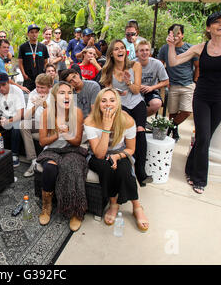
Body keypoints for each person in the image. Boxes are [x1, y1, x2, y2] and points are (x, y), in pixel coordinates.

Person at [166, 12, 221, 194]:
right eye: (217, 22)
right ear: (208, 28)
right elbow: (173, 62)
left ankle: (190, 168)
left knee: (206, 136)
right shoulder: (200, 48)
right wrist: (171, 46)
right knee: (203, 135)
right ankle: (200, 179)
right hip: (202, 96)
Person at [85, 87, 149, 232]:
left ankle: (136, 206)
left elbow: (131, 149)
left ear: (118, 103)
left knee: (125, 169)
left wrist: (116, 156)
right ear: (98, 103)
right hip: (97, 154)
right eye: (104, 100)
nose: (108, 104)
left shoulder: (127, 120)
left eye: (112, 100)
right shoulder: (90, 121)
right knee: (105, 167)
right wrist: (106, 128)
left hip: (119, 153)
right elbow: (99, 154)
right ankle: (114, 204)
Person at [100, 39, 152, 187]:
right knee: (127, 134)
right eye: (116, 49)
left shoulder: (135, 66)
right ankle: (129, 167)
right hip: (120, 104)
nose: (120, 50)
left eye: (122, 48)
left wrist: (128, 82)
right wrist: (116, 92)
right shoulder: (108, 70)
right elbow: (109, 92)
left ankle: (141, 172)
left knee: (140, 131)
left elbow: (136, 90)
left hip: (136, 102)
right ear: (111, 53)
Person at [36, 81, 87, 232]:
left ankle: (76, 211)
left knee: (72, 166)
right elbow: (42, 141)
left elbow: (77, 141)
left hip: (72, 149)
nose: (66, 96)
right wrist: (58, 133)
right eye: (62, 93)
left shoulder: (76, 112)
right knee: (50, 168)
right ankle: (47, 206)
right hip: (52, 149)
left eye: (69, 93)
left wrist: (66, 133)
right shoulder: (47, 113)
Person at [158, 24, 199, 141]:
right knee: (173, 111)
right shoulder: (164, 48)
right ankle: (174, 132)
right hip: (173, 84)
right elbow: (160, 65)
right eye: (172, 34)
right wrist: (165, 80)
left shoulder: (190, 48)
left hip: (188, 84)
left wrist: (195, 81)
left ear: (182, 35)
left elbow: (197, 66)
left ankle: (170, 127)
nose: (175, 36)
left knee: (186, 111)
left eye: (178, 33)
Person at [0, 73, 25, 167]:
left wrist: (8, 121)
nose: (1, 88)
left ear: (9, 82)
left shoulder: (17, 91)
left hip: (15, 117)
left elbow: (20, 114)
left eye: (3, 84)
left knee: (16, 126)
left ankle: (14, 154)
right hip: (2, 117)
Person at [21, 73, 53, 177]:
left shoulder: (55, 94)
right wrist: (36, 105)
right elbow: (27, 117)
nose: (39, 90)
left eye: (42, 88)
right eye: (37, 87)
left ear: (50, 87)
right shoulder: (33, 94)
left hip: (52, 125)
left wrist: (44, 105)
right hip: (39, 124)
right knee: (23, 124)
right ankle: (33, 160)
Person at [135, 40, 169, 116]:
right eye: (142, 50)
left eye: (147, 50)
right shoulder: (131, 64)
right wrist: (136, 86)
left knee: (157, 103)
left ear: (150, 52)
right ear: (137, 53)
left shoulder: (157, 64)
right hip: (134, 90)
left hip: (150, 90)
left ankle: (140, 119)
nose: (144, 52)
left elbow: (166, 81)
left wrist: (152, 87)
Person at [18, 24, 49, 92]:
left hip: (40, 78)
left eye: (36, 32)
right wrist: (24, 75)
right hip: (28, 78)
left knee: (41, 97)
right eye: (32, 32)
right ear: (28, 34)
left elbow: (46, 61)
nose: (34, 34)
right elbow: (20, 63)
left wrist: (43, 72)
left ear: (38, 33)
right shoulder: (23, 47)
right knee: (27, 98)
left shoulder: (43, 47)